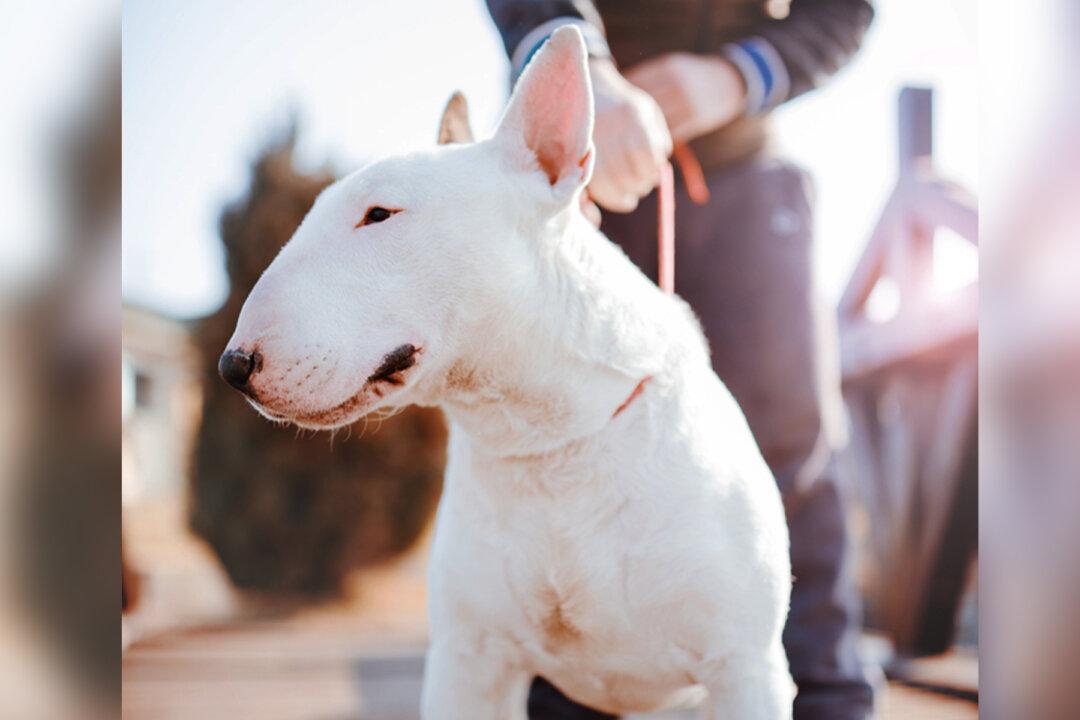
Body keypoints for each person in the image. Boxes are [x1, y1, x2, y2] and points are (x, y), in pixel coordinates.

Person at [485, 2, 877, 719]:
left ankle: (825, 700)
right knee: (559, 455)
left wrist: (736, 77)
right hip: (568, 185)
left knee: (792, 451)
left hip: (748, 177)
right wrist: (580, 68)